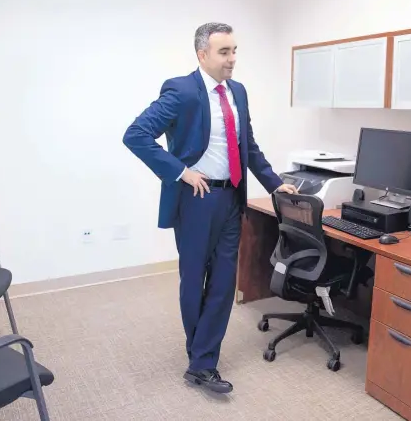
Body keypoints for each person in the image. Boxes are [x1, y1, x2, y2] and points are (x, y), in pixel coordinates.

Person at [122, 22, 297, 393]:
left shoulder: (239, 92)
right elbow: (136, 135)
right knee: (194, 281)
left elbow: (247, 145)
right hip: (197, 200)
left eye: (234, 51)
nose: (232, 59)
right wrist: (181, 172)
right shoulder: (182, 90)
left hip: (232, 198)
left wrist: (274, 182)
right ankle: (199, 356)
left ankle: (202, 363)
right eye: (224, 52)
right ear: (202, 54)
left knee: (222, 283)